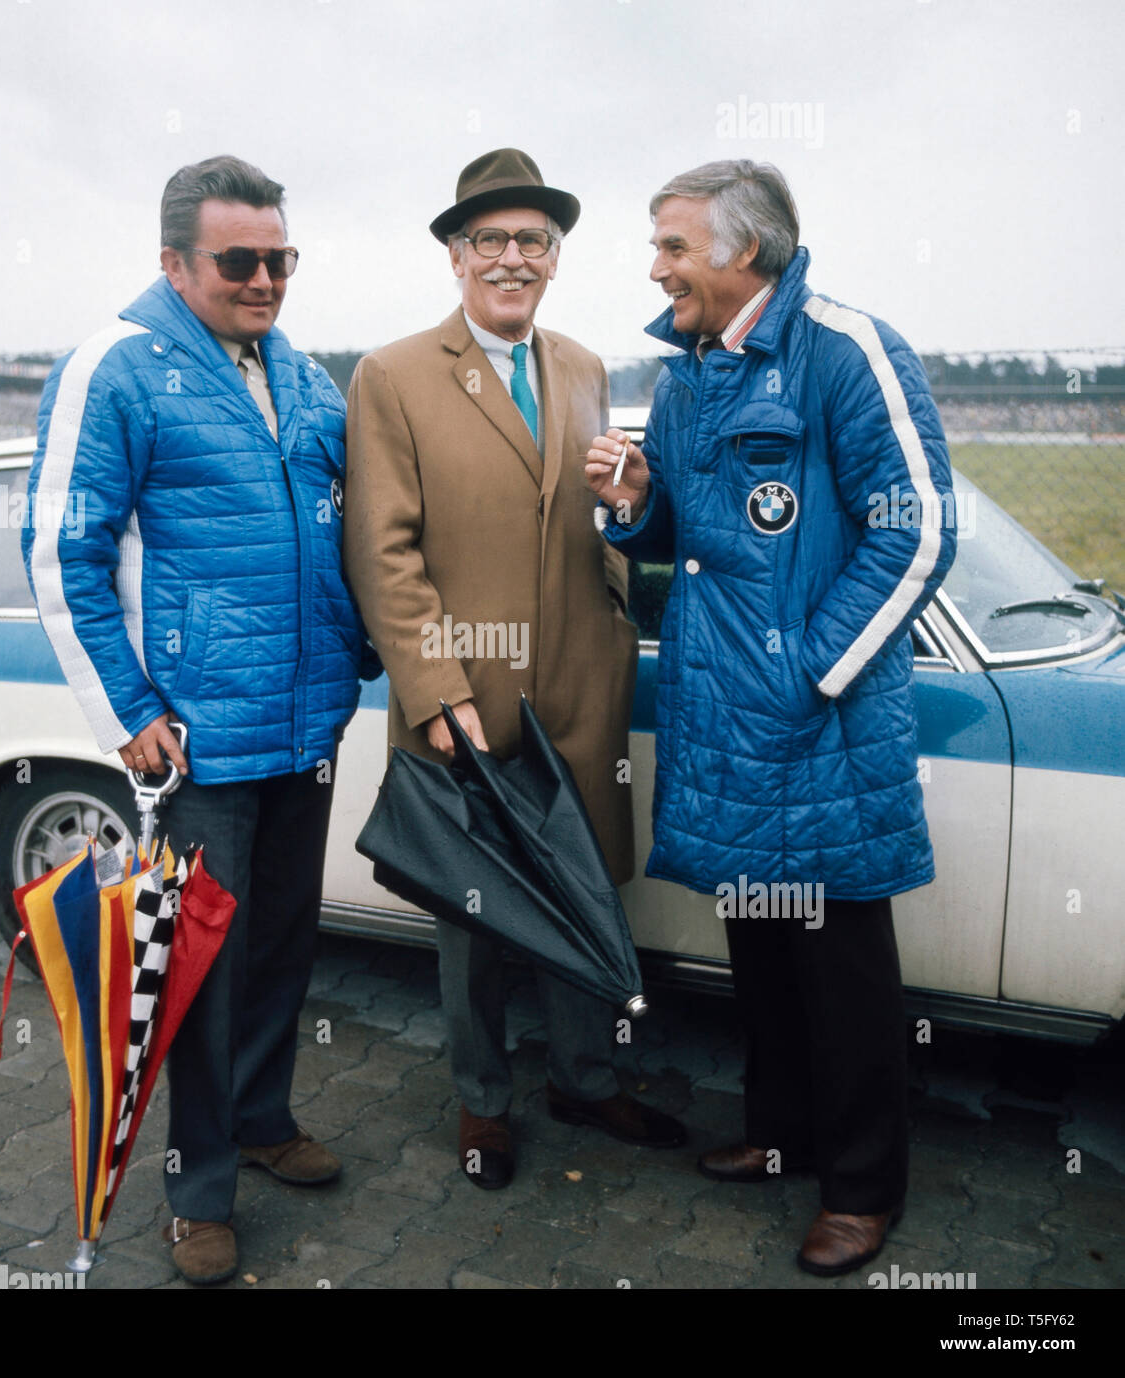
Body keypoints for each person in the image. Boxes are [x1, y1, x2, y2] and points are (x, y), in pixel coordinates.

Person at [587, 159, 956, 1275]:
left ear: (743, 250)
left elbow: (917, 531)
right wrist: (636, 506)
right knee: (760, 948)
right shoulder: (691, 369)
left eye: (671, 247)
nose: (656, 269)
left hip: (819, 727)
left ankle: (860, 1187)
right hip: (720, 723)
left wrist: (805, 669)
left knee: (839, 966)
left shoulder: (846, 350)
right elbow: (683, 538)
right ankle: (781, 1134)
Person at [24, 155, 376, 1284]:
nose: (265, 280)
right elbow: (60, 552)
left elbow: (345, 529)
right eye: (240, 261)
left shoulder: (305, 376)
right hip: (196, 741)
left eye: (281, 259)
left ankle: (263, 1120)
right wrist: (128, 712)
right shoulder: (115, 367)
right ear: (173, 261)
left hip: (303, 723)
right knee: (196, 969)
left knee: (282, 943)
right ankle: (198, 1186)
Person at [344, 148, 686, 1191]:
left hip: (579, 690)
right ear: (456, 256)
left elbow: (597, 520)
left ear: (554, 258)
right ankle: (482, 1102)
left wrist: (628, 501)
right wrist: (437, 690)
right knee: (477, 917)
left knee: (585, 895)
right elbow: (382, 550)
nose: (510, 257)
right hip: (470, 699)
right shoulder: (391, 374)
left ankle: (585, 1078)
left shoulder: (584, 366)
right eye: (488, 239)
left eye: (531, 240)